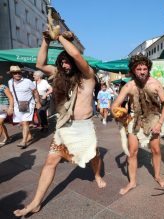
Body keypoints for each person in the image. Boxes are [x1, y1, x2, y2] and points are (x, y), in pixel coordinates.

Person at [13, 30, 106, 217]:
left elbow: (76, 54)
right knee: (50, 162)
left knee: (93, 157)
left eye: (67, 61)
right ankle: (36, 202)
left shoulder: (88, 76)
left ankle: (96, 175)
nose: (65, 64)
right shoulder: (59, 75)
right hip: (64, 127)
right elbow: (39, 64)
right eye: (61, 62)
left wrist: (60, 37)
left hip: (84, 127)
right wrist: (45, 41)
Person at [111, 54, 164, 195]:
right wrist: (120, 113)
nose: (142, 71)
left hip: (153, 120)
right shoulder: (129, 86)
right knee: (132, 153)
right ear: (133, 70)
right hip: (135, 121)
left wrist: (160, 123)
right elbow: (115, 105)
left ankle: (157, 176)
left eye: (144, 68)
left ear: (148, 69)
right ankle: (132, 182)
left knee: (155, 150)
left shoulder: (155, 83)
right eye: (139, 69)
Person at [8, 66, 41, 148]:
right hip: (17, 105)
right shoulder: (10, 82)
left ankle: (24, 141)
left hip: (28, 103)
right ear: (12, 74)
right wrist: (11, 106)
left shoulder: (27, 81)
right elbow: (11, 95)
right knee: (22, 123)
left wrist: (38, 102)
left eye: (19, 72)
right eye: (15, 73)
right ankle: (29, 136)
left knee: (25, 122)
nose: (17, 74)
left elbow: (35, 92)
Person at [0, 75, 14, 146]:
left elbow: (11, 98)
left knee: (0, 123)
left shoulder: (4, 87)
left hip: (3, 108)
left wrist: (10, 108)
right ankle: (7, 138)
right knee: (1, 124)